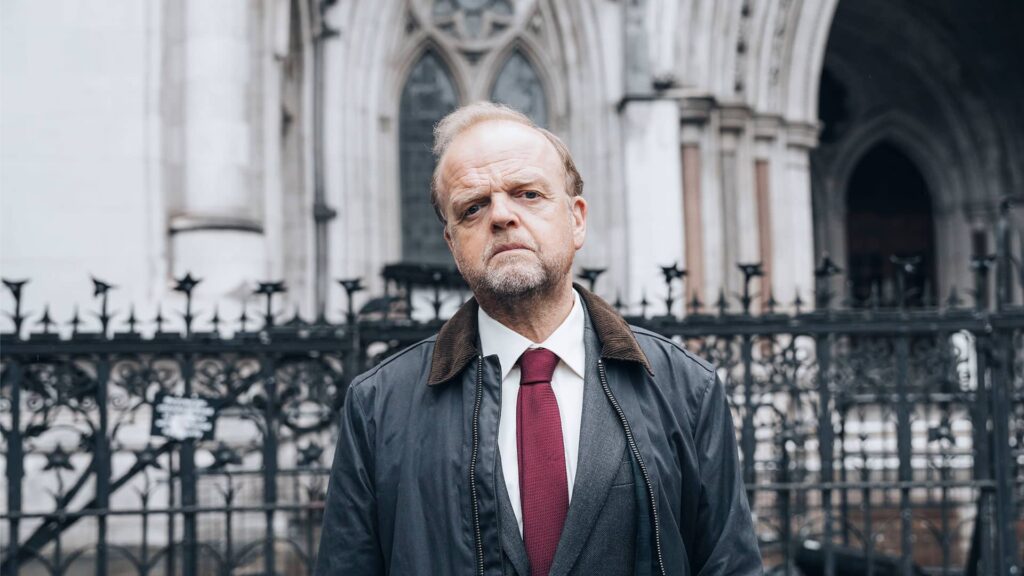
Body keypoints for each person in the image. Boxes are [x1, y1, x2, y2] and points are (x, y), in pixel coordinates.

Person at [315, 102, 762, 575]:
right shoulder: (380, 406)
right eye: (473, 207)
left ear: (577, 220)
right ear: (452, 243)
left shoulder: (686, 389)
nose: (502, 216)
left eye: (527, 194)